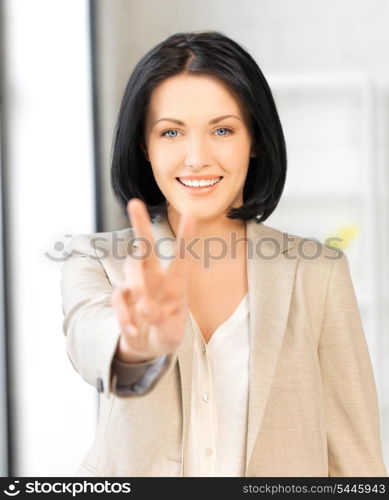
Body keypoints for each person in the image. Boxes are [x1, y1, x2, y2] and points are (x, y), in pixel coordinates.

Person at [60, 31, 387, 477]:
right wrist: (135, 344)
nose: (197, 157)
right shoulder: (96, 258)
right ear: (144, 145)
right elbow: (90, 339)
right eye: (171, 131)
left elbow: (357, 460)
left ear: (254, 140)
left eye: (222, 130)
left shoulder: (318, 272)